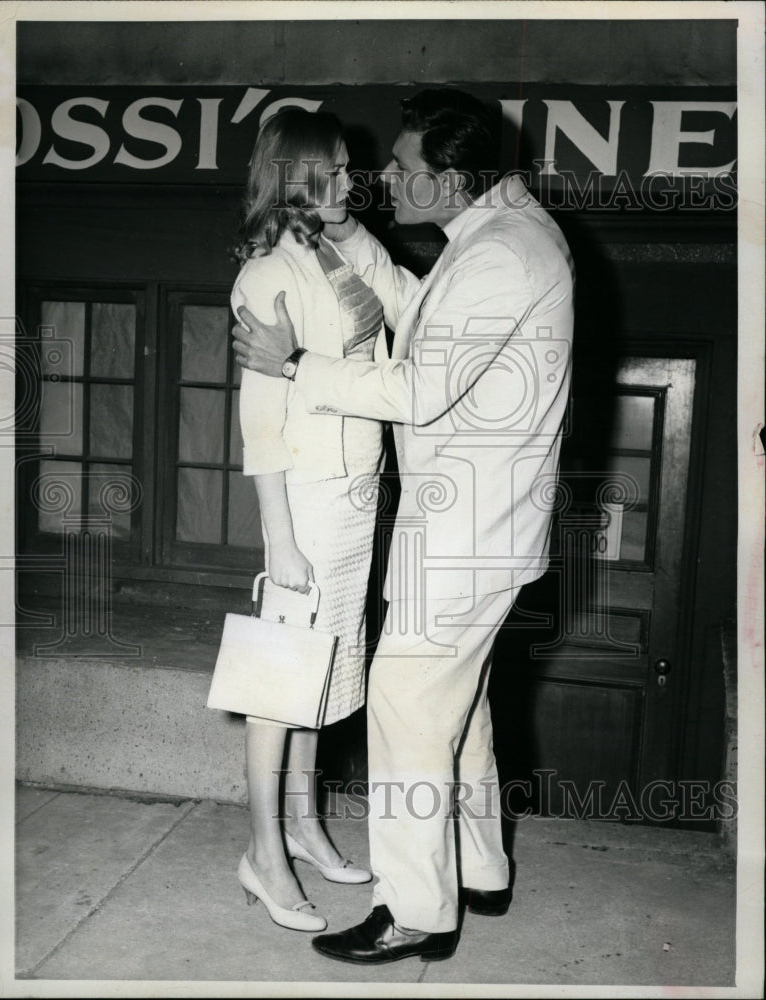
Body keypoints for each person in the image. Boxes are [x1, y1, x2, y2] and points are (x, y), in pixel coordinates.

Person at [232, 89, 575, 963]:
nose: (383, 176)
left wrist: (297, 362)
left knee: (407, 711)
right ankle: (480, 869)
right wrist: (355, 246)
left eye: (402, 167)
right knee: (457, 711)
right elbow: (424, 310)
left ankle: (417, 909)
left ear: (450, 181)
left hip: (462, 535)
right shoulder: (503, 232)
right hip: (478, 530)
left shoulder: (501, 255)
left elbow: (417, 388)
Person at [230, 107, 389, 933]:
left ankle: (303, 821)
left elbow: (389, 317)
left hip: (356, 496)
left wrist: (344, 227)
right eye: (327, 171)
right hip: (304, 501)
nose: (346, 184)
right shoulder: (267, 273)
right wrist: (280, 537)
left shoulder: (345, 248)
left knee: (324, 676)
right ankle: (263, 853)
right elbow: (261, 422)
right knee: (277, 685)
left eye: (347, 169)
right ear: (291, 176)